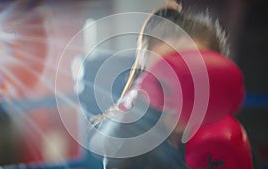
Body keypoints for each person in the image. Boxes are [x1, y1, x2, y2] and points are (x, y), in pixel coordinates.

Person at [89, 1, 253, 169]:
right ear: (145, 82)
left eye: (190, 79)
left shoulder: (228, 143)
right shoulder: (137, 147)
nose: (177, 93)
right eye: (162, 80)